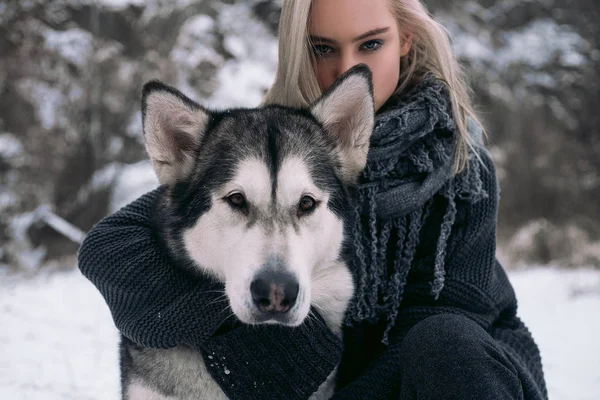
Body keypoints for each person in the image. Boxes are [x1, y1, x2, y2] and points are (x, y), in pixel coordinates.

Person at [78, 0, 548, 399]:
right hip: (342, 372)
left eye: (371, 43)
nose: (347, 69)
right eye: (323, 48)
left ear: (406, 39)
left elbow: (440, 334)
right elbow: (112, 245)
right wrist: (226, 325)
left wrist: (305, 366)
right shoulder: (269, 141)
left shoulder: (463, 166)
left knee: (443, 342)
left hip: (466, 370)